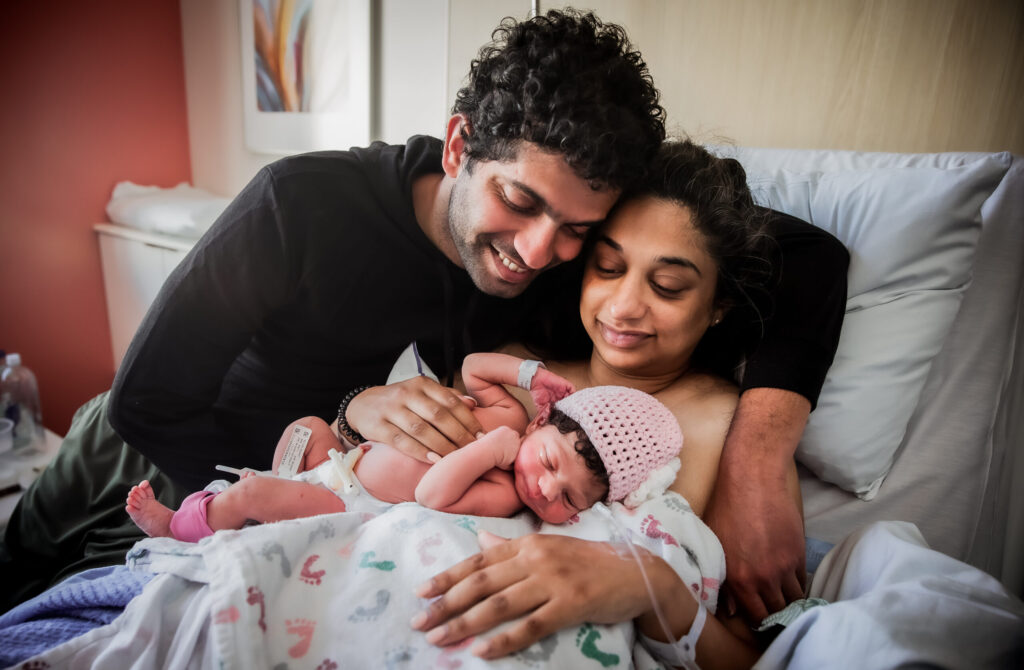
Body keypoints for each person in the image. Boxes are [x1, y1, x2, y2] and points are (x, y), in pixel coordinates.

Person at [1, 10, 847, 640]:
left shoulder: (573, 266)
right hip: (141, 448)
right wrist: (348, 414)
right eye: (519, 202)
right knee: (24, 589)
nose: (537, 253)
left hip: (307, 486)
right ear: (457, 146)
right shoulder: (301, 205)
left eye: (578, 230)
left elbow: (807, 256)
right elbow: (150, 401)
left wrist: (759, 456)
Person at [399, 138, 847, 665]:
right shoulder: (508, 373)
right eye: (608, 268)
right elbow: (398, 495)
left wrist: (646, 585)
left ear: (718, 306)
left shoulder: (729, 431)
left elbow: (750, 659)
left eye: (669, 285)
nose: (625, 306)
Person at [126, 353, 685, 539]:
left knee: (254, 497)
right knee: (305, 428)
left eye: (569, 501)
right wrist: (529, 370)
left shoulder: (503, 492)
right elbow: (471, 367)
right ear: (542, 421)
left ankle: (179, 526)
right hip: (338, 462)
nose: (545, 491)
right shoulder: (510, 413)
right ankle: (274, 500)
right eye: (550, 465)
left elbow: (433, 492)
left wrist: (492, 453)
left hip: (351, 501)